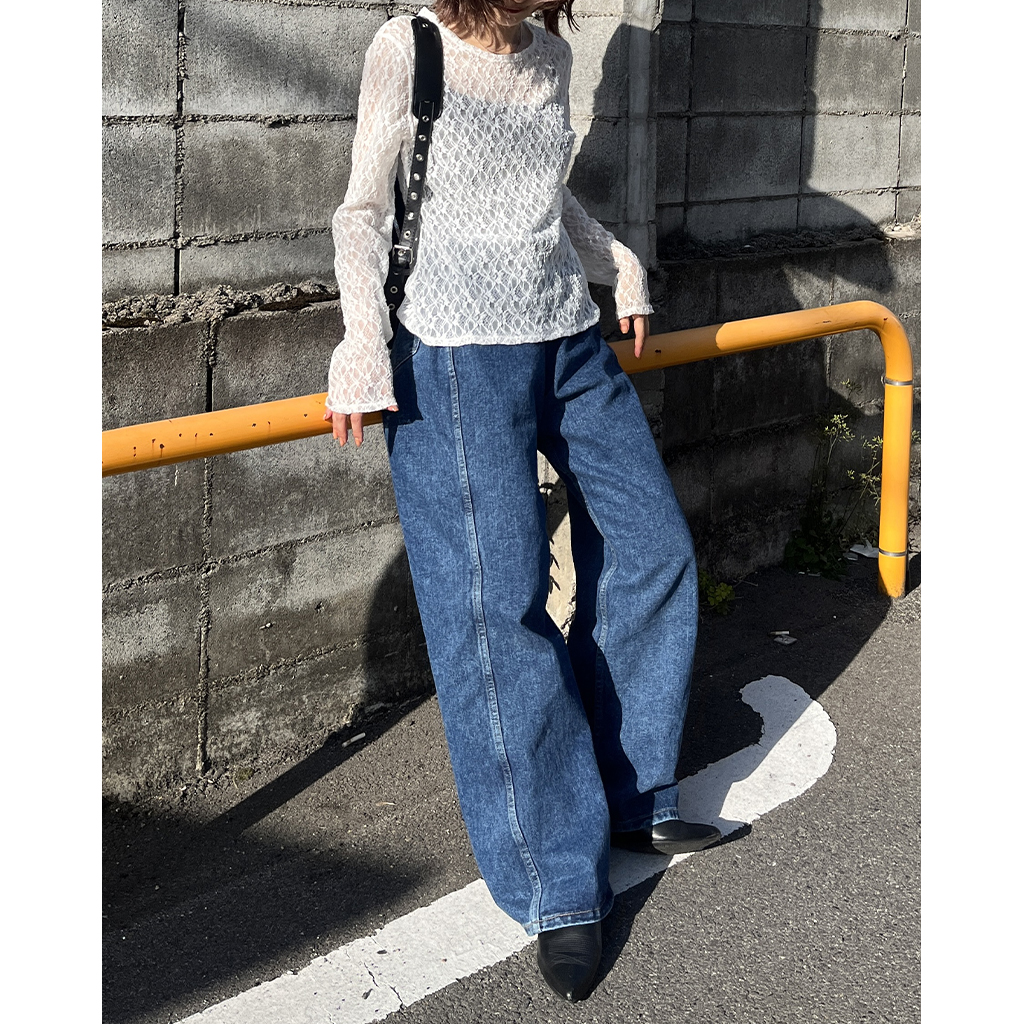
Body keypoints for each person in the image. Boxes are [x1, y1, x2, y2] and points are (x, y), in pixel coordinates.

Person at [323, 0, 720, 1002]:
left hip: (566, 339)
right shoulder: (410, 45)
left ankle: (630, 792)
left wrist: (613, 260)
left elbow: (540, 196)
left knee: (653, 548)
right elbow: (364, 210)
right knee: (498, 611)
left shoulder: (548, 54)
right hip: (453, 353)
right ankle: (555, 881)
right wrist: (361, 343)